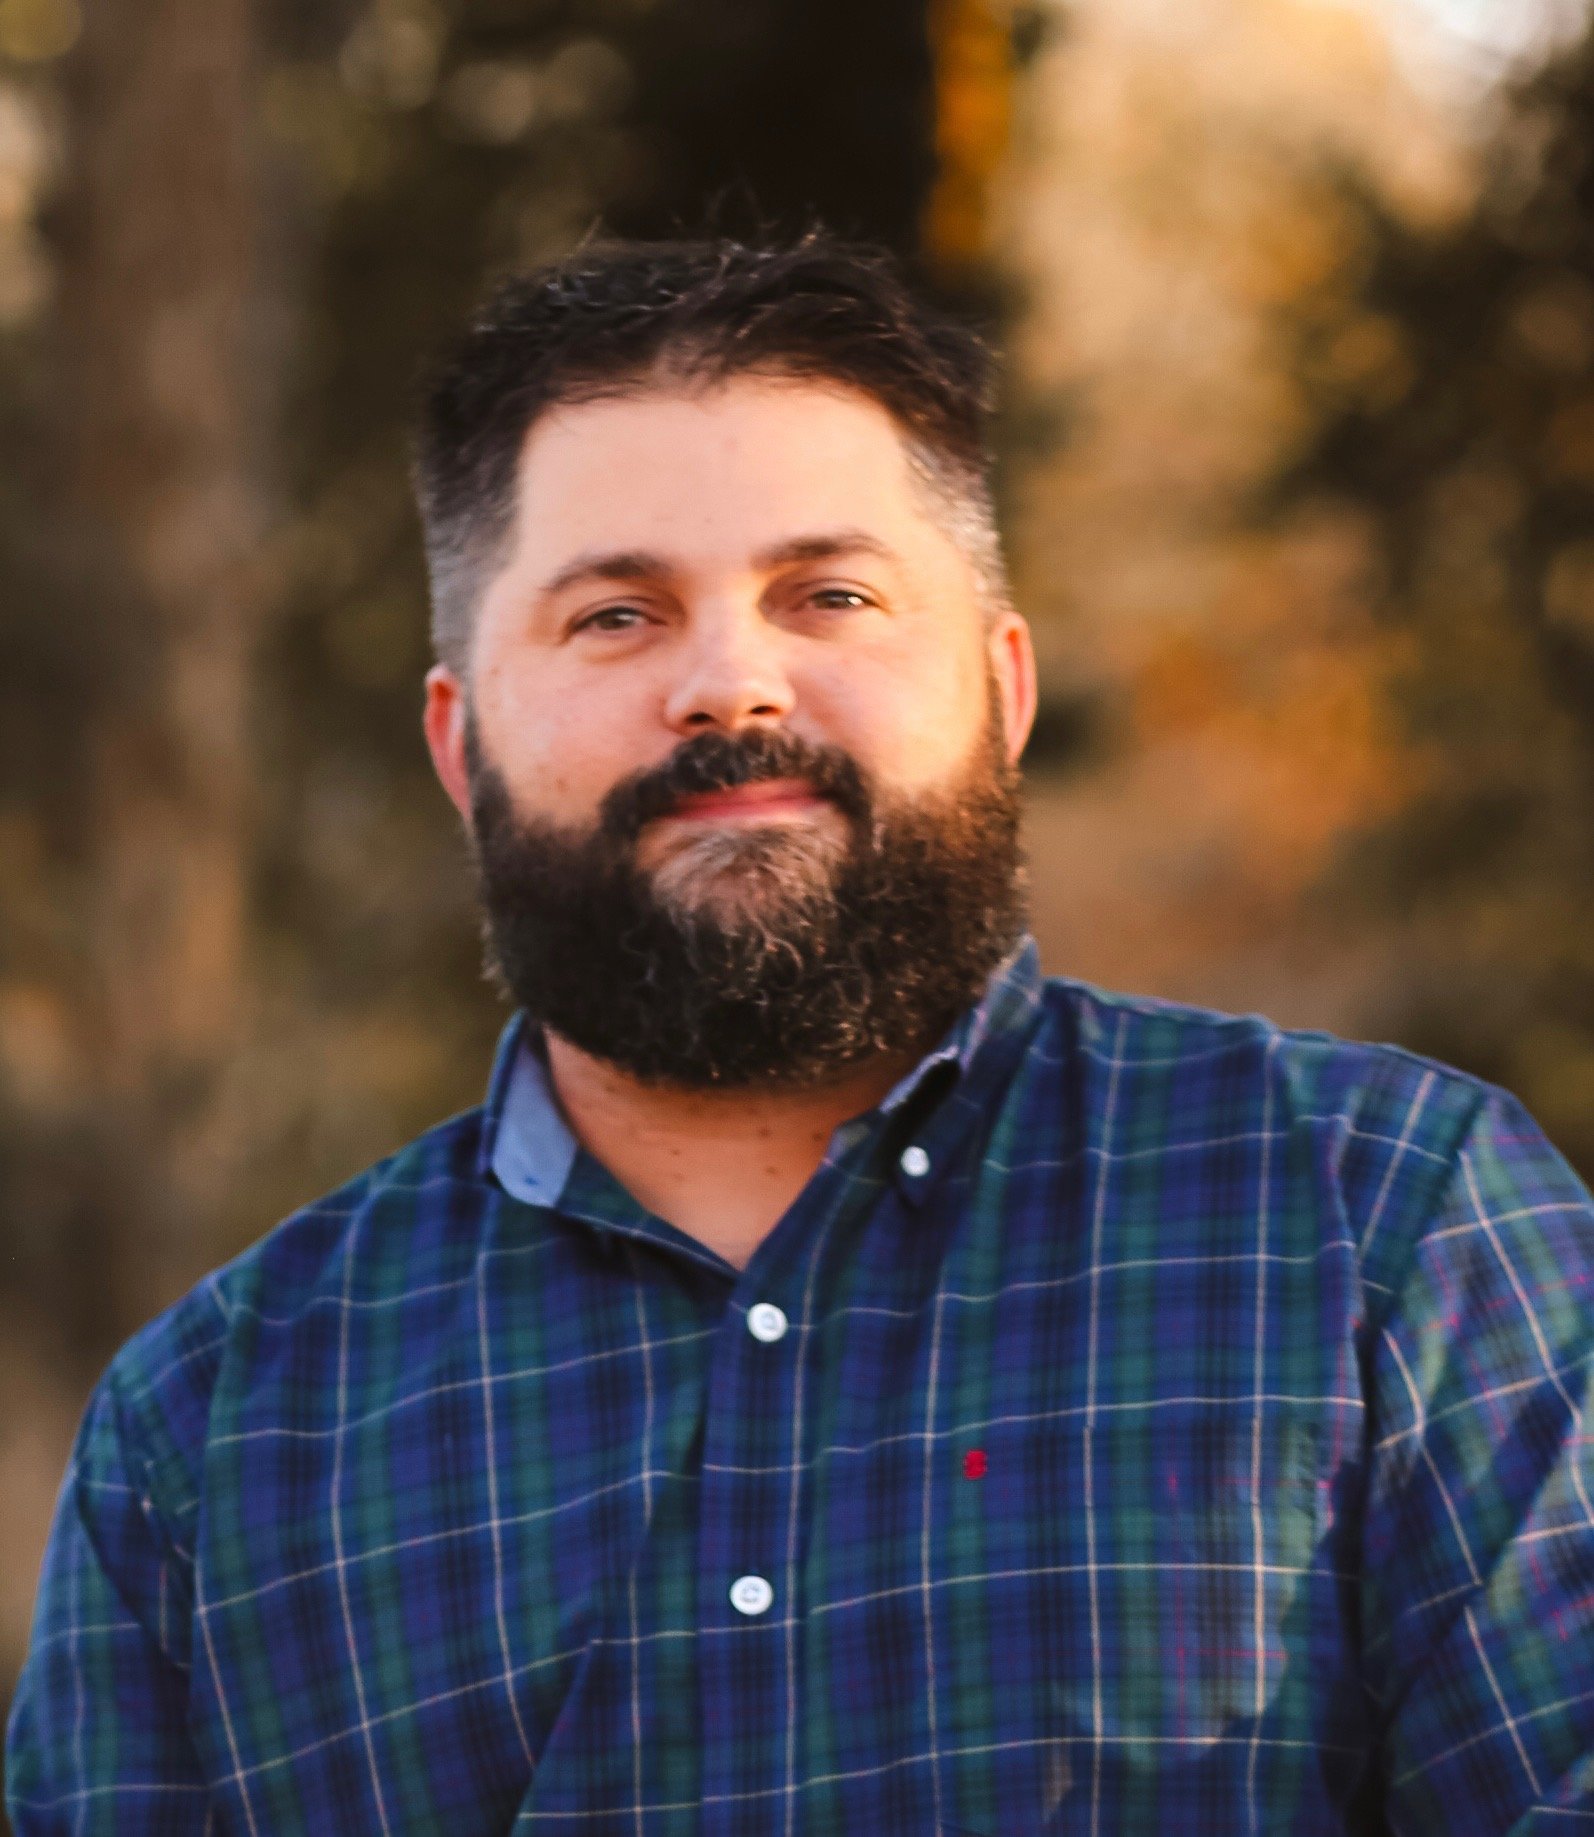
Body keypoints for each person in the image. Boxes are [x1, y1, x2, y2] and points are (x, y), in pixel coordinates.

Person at [9, 234, 1594, 1837]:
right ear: (460, 740)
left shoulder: (1393, 1225)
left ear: (1001, 684)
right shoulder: (205, 1440)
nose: (731, 684)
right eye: (616, 615)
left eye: (825, 594)